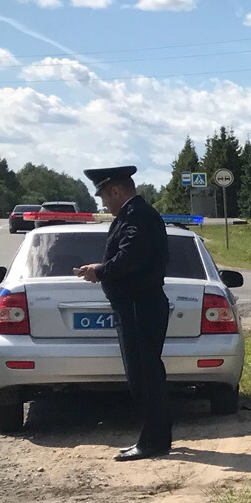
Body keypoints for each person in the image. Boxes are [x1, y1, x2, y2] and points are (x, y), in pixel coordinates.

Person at [75, 166, 172, 461]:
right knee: (145, 373)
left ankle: (153, 442)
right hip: (135, 305)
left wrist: (101, 271)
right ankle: (157, 437)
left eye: (105, 196)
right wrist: (103, 268)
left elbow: (131, 258)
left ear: (116, 190)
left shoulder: (138, 216)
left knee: (144, 376)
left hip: (138, 305)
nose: (104, 203)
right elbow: (127, 256)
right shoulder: (132, 215)